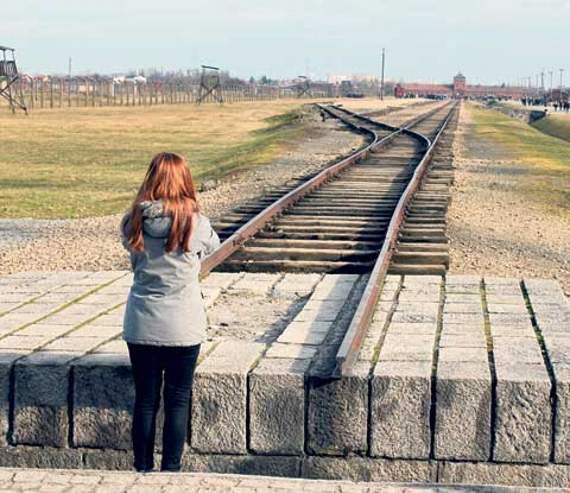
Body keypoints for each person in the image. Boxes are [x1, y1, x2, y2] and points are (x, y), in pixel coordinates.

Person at [120, 152, 220, 472]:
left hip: (141, 322)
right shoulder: (196, 223)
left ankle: (142, 467)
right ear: (185, 181)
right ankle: (171, 469)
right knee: (177, 400)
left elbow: (130, 250)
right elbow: (214, 246)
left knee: (145, 400)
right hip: (183, 324)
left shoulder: (134, 220)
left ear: (150, 179)